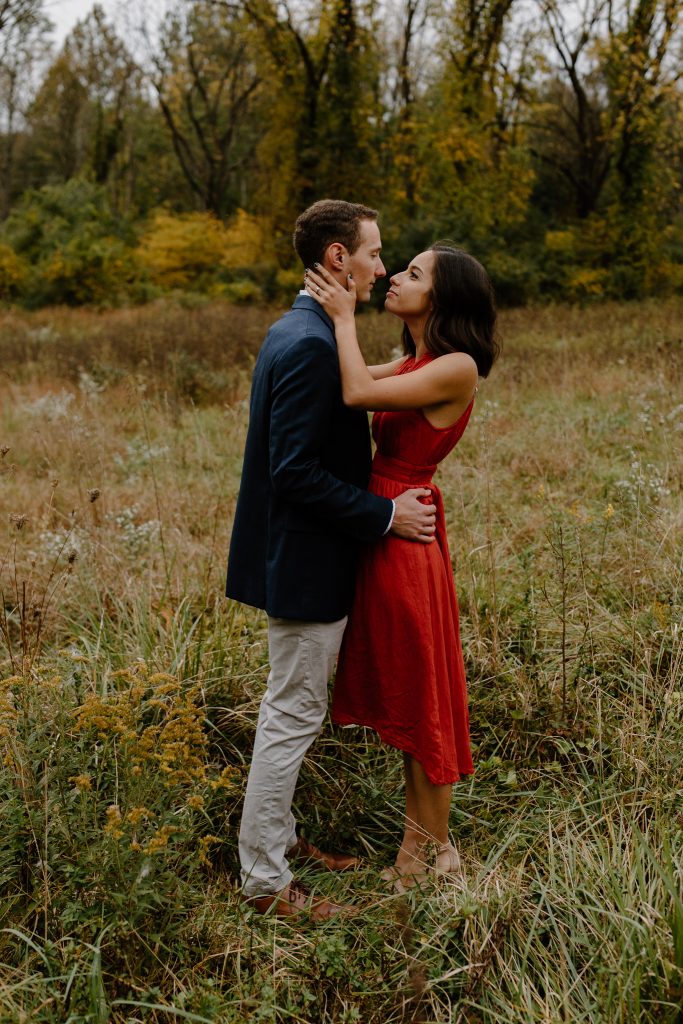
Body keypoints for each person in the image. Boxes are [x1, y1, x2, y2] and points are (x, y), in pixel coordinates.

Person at [226, 199, 438, 922]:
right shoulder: (312, 343)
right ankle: (263, 881)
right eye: (374, 253)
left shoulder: (305, 329)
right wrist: (385, 515)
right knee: (290, 714)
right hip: (307, 564)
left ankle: (280, 839)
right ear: (338, 259)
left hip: (303, 558)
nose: (381, 267)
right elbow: (292, 472)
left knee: (292, 709)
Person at [303, 242, 500, 890]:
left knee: (425, 699)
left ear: (442, 298)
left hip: (404, 535)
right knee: (410, 694)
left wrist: (340, 317)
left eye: (413, 274)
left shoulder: (456, 367)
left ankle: (431, 853)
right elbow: (347, 379)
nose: (394, 278)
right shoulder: (416, 358)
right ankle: (425, 846)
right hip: (384, 522)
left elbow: (358, 389)